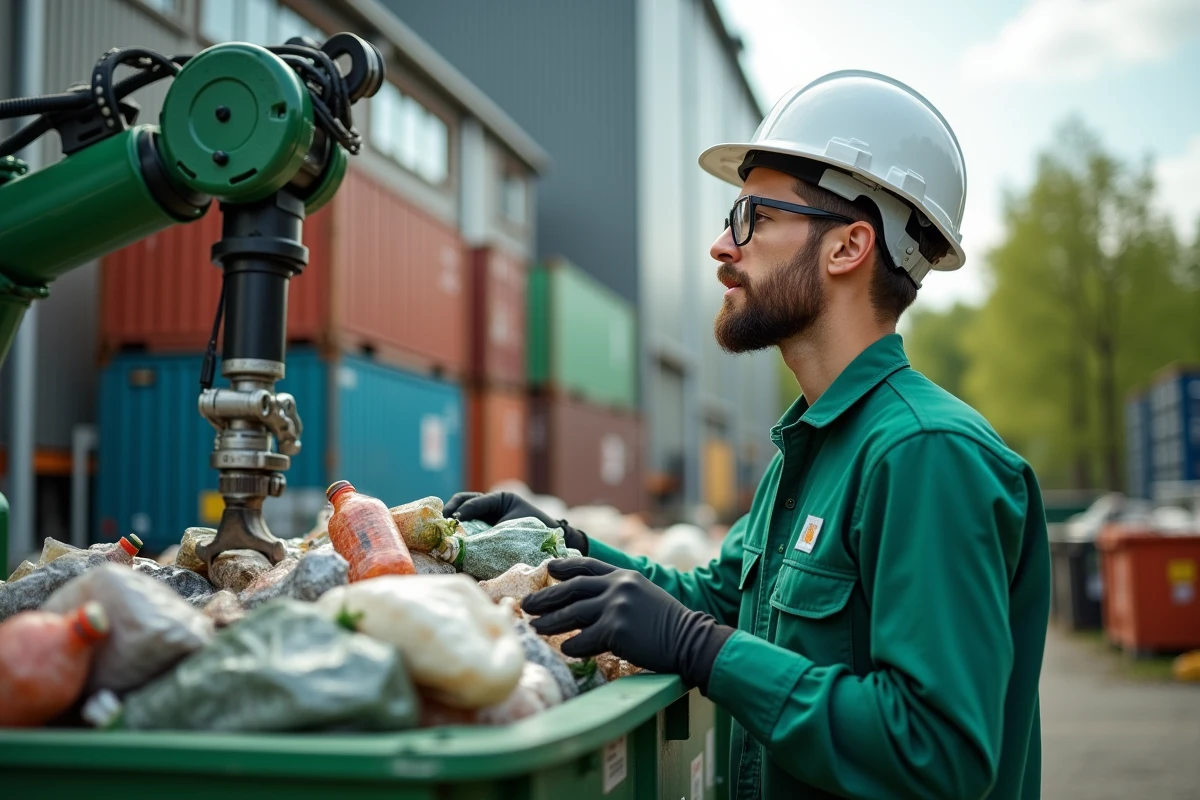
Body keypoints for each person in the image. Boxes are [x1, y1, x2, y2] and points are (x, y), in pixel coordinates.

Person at [446, 70, 1051, 800]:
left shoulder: (926, 456)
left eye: (752, 218)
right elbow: (718, 599)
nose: (720, 247)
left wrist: (703, 650)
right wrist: (561, 545)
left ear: (848, 247)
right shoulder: (813, 446)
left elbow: (936, 753)